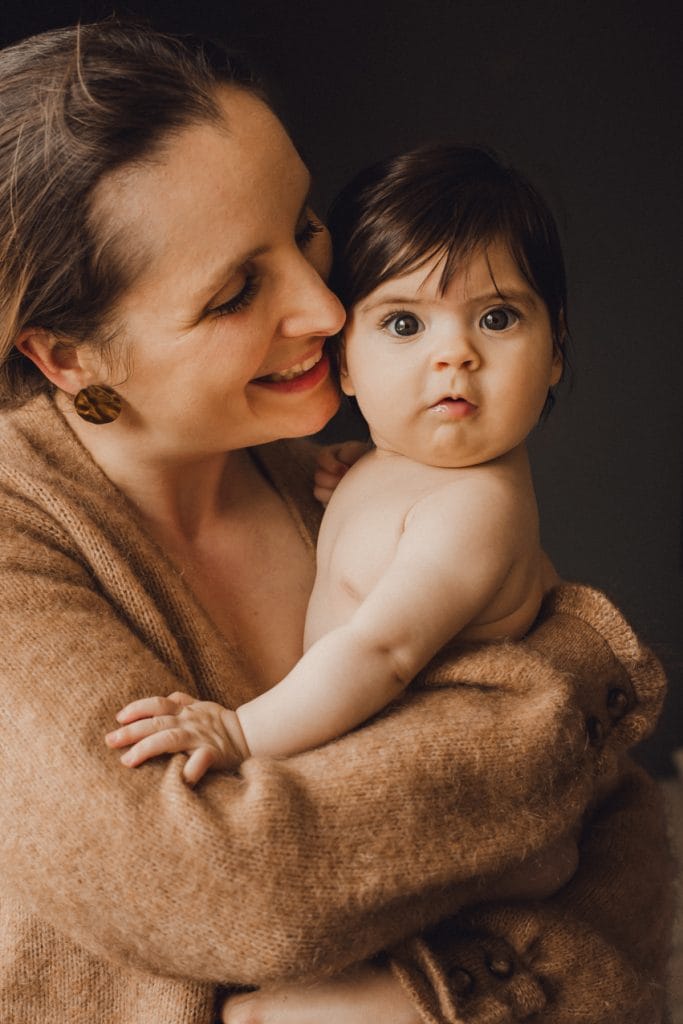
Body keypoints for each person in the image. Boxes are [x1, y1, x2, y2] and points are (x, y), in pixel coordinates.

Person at [0, 20, 672, 1024]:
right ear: (66, 358)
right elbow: (235, 892)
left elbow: (620, 843)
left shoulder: (324, 458)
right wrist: (566, 682)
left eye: (305, 226)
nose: (325, 305)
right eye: (236, 291)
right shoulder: (21, 545)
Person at [105, 144, 567, 779]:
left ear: (556, 354)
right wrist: (365, 476)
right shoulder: (400, 471)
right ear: (343, 360)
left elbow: (384, 652)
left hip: (436, 774)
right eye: (405, 325)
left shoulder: (477, 506)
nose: (456, 353)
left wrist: (241, 730)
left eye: (496, 317)